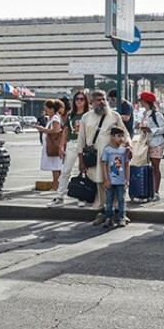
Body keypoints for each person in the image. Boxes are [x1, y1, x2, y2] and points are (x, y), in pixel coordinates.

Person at [77, 89, 130, 225]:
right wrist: (81, 160)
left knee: (116, 182)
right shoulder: (86, 117)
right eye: (98, 100)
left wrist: (128, 146)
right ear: (92, 102)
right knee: (98, 182)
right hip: (94, 157)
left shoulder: (114, 116)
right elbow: (81, 139)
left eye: (104, 99)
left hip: (114, 157)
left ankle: (119, 212)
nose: (102, 102)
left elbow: (124, 133)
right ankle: (101, 212)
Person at [50, 90, 88, 208]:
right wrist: (61, 146)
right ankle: (59, 196)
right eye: (77, 99)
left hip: (85, 145)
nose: (79, 101)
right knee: (66, 171)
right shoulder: (71, 115)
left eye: (82, 99)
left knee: (83, 171)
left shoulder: (89, 115)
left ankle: (82, 197)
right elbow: (65, 131)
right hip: (72, 143)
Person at [137, 91, 164, 201]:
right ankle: (147, 190)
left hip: (156, 143)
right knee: (145, 166)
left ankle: (155, 191)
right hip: (146, 143)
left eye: (141, 100)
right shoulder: (144, 114)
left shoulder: (157, 114)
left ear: (145, 101)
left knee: (155, 167)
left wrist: (151, 130)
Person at [100, 127, 129, 229]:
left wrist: (127, 179)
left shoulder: (124, 150)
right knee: (109, 200)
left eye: (122, 136)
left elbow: (127, 165)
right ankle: (109, 218)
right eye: (118, 136)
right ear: (112, 137)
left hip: (121, 180)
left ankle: (121, 217)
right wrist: (106, 179)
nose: (121, 138)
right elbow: (104, 165)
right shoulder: (107, 150)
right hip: (110, 180)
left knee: (121, 199)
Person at [36, 99, 65, 187]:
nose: (45, 111)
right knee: (55, 167)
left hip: (54, 145)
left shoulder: (55, 118)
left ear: (52, 109)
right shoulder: (53, 118)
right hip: (52, 145)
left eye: (47, 109)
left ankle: (56, 185)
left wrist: (43, 129)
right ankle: (57, 185)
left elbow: (55, 130)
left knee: (55, 167)